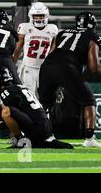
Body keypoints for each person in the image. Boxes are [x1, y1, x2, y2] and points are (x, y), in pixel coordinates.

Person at [39, 11, 101, 147]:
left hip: (47, 66)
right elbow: (94, 67)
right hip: (67, 67)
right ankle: (90, 139)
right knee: (89, 100)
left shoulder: (62, 32)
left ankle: (42, 135)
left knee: (44, 104)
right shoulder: (92, 36)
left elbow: (52, 52)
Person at [0, 67, 73, 149]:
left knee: (6, 111)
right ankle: (49, 143)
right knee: (38, 145)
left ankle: (20, 141)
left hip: (37, 127)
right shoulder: (20, 87)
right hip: (46, 126)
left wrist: (0, 126)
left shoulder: (6, 91)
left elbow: (10, 114)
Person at [13, 2, 58, 98]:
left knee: (44, 98)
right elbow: (17, 49)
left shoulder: (53, 29)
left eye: (41, 16)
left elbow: (53, 51)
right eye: (36, 16)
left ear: (46, 16)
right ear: (31, 16)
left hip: (44, 69)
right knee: (28, 98)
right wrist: (12, 65)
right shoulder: (25, 27)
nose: (38, 18)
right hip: (28, 68)